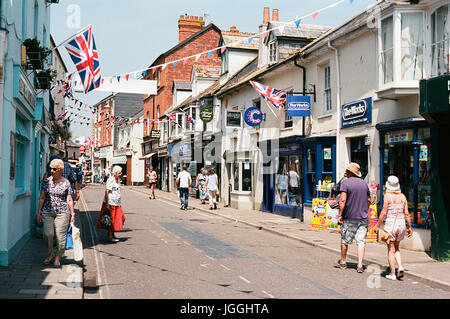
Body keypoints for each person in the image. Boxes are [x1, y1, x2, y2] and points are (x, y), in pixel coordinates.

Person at [36, 159, 75, 268]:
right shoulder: (47, 181)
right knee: (48, 234)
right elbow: (42, 198)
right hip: (48, 211)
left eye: (54, 169)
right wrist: (39, 212)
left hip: (63, 213)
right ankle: (50, 253)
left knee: (60, 237)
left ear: (60, 170)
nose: (51, 171)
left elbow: (69, 199)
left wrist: (72, 214)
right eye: (50, 169)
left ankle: (58, 257)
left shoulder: (66, 183)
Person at [374, 176, 412, 281]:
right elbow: (407, 214)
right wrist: (409, 227)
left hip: (391, 225)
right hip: (401, 224)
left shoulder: (387, 196)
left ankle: (392, 274)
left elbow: (384, 212)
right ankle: (400, 267)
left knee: (390, 250)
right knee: (397, 248)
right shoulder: (403, 197)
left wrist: (377, 225)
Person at [336, 163, 371, 273]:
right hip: (363, 217)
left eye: (347, 171)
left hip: (349, 217)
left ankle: (343, 261)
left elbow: (342, 200)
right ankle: (360, 265)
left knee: (345, 240)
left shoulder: (346, 183)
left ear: (351, 173)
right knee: (361, 241)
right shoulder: (364, 184)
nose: (346, 172)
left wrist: (340, 215)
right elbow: (369, 200)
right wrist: (365, 209)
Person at [97, 166, 126, 242]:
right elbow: (107, 192)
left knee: (122, 217)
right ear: (115, 173)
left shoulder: (118, 179)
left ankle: (111, 234)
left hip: (117, 203)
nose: (120, 174)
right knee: (112, 220)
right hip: (110, 203)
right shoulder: (111, 179)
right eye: (119, 173)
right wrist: (107, 204)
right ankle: (111, 235)